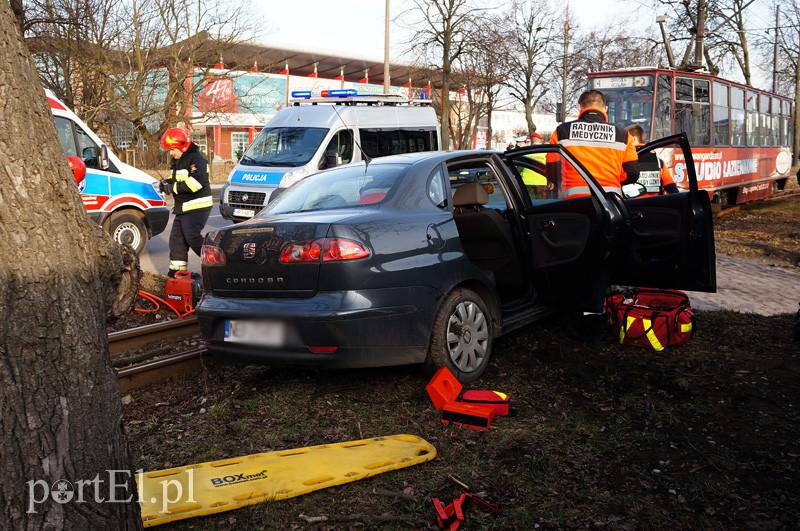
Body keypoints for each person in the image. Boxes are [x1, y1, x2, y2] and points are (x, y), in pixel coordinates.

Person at [548, 89, 639, 199]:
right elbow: (632, 174)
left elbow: (552, 169)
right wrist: (612, 177)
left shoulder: (561, 131)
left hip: (573, 202)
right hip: (611, 203)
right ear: (606, 108)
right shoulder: (623, 135)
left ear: (579, 107)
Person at [159, 127, 213, 277]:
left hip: (198, 206)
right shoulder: (178, 160)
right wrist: (166, 183)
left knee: (192, 236)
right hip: (183, 208)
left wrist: (172, 187)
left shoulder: (196, 159)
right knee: (177, 240)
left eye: (172, 149)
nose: (170, 153)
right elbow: (179, 180)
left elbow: (196, 183)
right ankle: (176, 273)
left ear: (182, 145)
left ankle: (217, 262)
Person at [625, 124, 679, 197]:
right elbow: (671, 187)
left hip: (631, 206)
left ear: (633, 139)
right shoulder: (659, 162)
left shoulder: (625, 160)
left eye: (626, 139)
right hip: (654, 205)